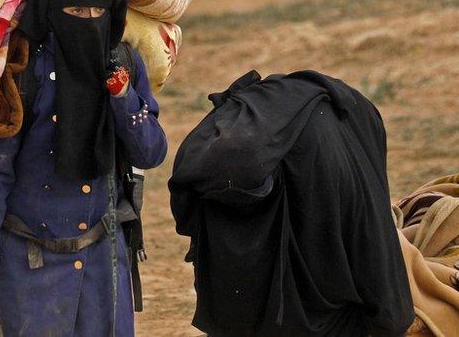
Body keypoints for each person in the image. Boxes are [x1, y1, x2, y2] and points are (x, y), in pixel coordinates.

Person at [0, 0, 167, 336]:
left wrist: (122, 97)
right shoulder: (23, 70)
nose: (89, 20)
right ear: (51, 12)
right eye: (75, 10)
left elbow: (151, 152)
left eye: (98, 11)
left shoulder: (123, 65)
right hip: (28, 266)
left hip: (102, 262)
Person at [170, 70, 414, 336]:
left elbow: (191, 221)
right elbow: (374, 248)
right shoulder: (347, 145)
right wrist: (393, 320)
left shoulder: (219, 148)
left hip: (240, 313)